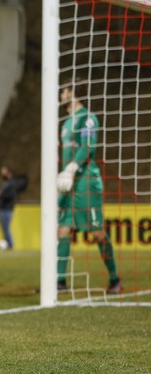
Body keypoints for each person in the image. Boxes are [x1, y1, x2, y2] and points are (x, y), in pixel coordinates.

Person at [56, 83, 122, 294]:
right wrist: (64, 174)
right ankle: (60, 281)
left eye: (64, 91)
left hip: (86, 180)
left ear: (74, 93)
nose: (61, 94)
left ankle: (114, 279)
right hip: (70, 181)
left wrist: (72, 168)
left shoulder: (88, 118)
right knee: (63, 229)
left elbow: (87, 147)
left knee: (97, 232)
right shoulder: (66, 123)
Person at [0, 165, 23, 250]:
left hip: (7, 209)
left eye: (4, 172)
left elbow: (9, 195)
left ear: (8, 172)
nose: (2, 174)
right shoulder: (6, 183)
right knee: (4, 228)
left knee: (6, 228)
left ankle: (10, 244)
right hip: (3, 209)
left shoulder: (11, 184)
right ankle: (7, 244)